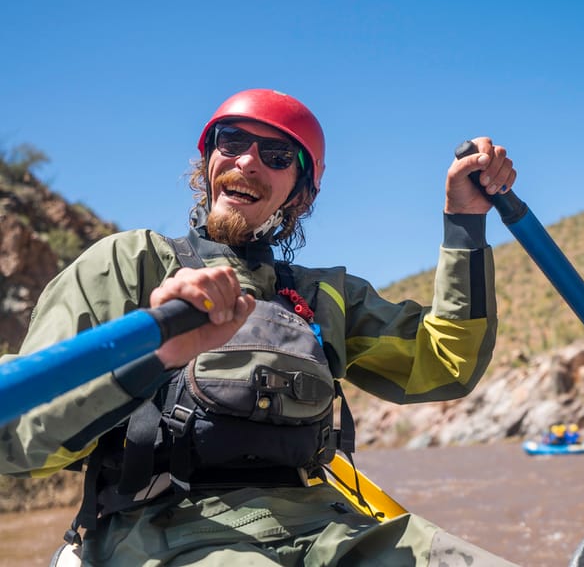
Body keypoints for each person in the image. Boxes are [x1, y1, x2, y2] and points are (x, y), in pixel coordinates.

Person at [0, 89, 519, 566]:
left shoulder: (326, 296)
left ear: (299, 195)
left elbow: (447, 363)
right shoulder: (129, 262)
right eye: (233, 142)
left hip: (329, 526)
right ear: (208, 163)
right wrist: (155, 355)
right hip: (165, 530)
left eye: (276, 157)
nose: (248, 161)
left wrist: (464, 221)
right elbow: (22, 440)